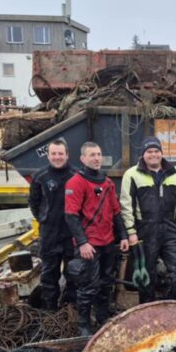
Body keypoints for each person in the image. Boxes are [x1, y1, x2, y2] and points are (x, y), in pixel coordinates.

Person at [120, 136, 176, 304]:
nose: (153, 155)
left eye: (156, 151)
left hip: (170, 230)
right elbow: (126, 206)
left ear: (161, 153)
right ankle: (147, 313)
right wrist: (131, 233)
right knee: (147, 276)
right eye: (149, 152)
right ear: (143, 155)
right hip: (145, 232)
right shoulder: (131, 174)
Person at [64, 142, 130, 336]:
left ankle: (102, 318)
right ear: (83, 159)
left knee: (106, 283)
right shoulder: (76, 182)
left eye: (99, 154)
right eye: (91, 155)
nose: (96, 158)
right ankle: (83, 325)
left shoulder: (107, 183)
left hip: (108, 242)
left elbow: (116, 212)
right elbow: (71, 215)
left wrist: (123, 236)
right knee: (88, 286)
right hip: (89, 245)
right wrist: (83, 242)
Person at [28, 138, 77, 310]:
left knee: (73, 274)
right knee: (49, 275)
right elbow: (34, 203)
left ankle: (71, 311)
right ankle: (50, 313)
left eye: (60, 154)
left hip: (71, 234)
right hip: (49, 235)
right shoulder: (40, 177)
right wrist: (44, 219)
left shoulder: (76, 176)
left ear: (67, 155)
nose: (57, 157)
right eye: (54, 154)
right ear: (48, 156)